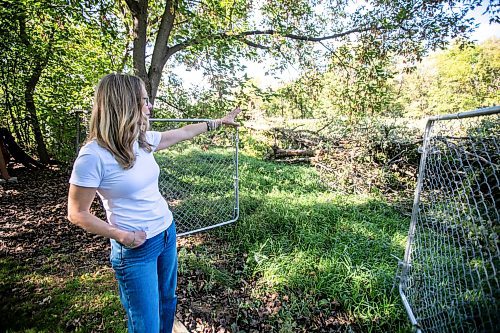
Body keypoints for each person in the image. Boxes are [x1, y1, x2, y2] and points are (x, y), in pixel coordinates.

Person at [67, 73, 240, 332]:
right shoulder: (93, 156)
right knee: (145, 324)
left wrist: (217, 122)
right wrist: (121, 236)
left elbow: (181, 133)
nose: (150, 107)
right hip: (136, 249)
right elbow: (77, 212)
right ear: (124, 105)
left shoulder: (142, 140)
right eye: (144, 101)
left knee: (167, 303)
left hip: (167, 234)